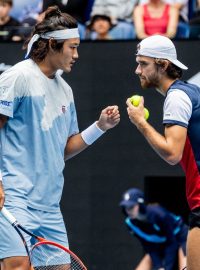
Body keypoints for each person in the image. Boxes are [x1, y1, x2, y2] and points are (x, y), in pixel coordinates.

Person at [0, 5, 120, 270]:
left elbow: (63, 148)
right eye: (72, 47)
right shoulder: (18, 77)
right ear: (53, 45)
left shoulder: (65, 90)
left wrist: (100, 127)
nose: (76, 55)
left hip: (49, 204)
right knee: (17, 265)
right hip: (14, 196)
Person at [126, 34, 200, 270]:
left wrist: (140, 123)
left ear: (164, 65)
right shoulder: (190, 92)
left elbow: (172, 154)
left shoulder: (177, 97)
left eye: (143, 63)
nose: (138, 70)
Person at [119, 188, 188, 270]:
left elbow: (171, 243)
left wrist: (167, 268)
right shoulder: (130, 224)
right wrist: (158, 266)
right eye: (126, 207)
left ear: (140, 205)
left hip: (180, 237)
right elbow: (149, 246)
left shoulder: (159, 215)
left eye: (131, 206)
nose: (128, 210)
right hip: (160, 245)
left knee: (186, 266)